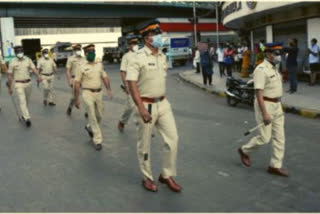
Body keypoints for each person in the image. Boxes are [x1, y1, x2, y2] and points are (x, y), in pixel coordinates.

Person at [127, 24, 181, 193]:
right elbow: (131, 83)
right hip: (146, 104)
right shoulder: (137, 57)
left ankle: (166, 174)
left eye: (159, 33)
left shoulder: (162, 56)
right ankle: (147, 177)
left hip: (163, 104)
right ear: (146, 38)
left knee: (173, 139)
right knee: (145, 145)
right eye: (154, 34)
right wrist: (141, 108)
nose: (158, 36)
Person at [238, 43, 288, 177]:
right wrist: (265, 113)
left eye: (280, 53)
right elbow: (258, 93)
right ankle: (244, 150)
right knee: (265, 138)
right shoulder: (261, 69)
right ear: (268, 54)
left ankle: (275, 166)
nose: (279, 56)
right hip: (265, 105)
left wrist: (279, 104)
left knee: (279, 137)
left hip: (277, 105)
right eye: (277, 53)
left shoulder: (275, 68)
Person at [74, 44, 113, 151]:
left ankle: (89, 127)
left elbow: (104, 77)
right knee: (91, 113)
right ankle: (97, 140)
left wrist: (108, 89)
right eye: (90, 51)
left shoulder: (99, 64)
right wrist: (76, 99)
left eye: (93, 51)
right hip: (87, 93)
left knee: (99, 115)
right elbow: (77, 83)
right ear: (85, 53)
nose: (92, 53)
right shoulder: (81, 66)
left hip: (99, 93)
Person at [7, 46, 42, 127]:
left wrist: (39, 76)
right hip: (18, 84)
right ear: (15, 53)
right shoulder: (12, 62)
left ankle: (24, 114)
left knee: (26, 101)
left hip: (28, 83)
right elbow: (9, 75)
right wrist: (9, 87)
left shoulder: (28, 59)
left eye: (21, 51)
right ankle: (27, 118)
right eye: (18, 52)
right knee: (22, 101)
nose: (20, 53)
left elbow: (34, 69)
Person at [118, 35, 139, 132]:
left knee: (144, 106)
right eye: (133, 43)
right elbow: (122, 72)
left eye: (136, 43)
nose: (135, 45)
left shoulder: (142, 55)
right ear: (129, 45)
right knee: (130, 107)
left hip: (141, 85)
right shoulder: (126, 57)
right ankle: (122, 121)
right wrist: (126, 85)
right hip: (130, 85)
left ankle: (145, 128)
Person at [65, 43, 86, 116]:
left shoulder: (84, 59)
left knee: (86, 95)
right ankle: (70, 107)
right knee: (74, 97)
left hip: (83, 79)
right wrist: (69, 79)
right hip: (74, 79)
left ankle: (87, 111)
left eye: (79, 49)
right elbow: (68, 70)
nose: (78, 51)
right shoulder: (70, 59)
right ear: (74, 51)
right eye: (77, 49)